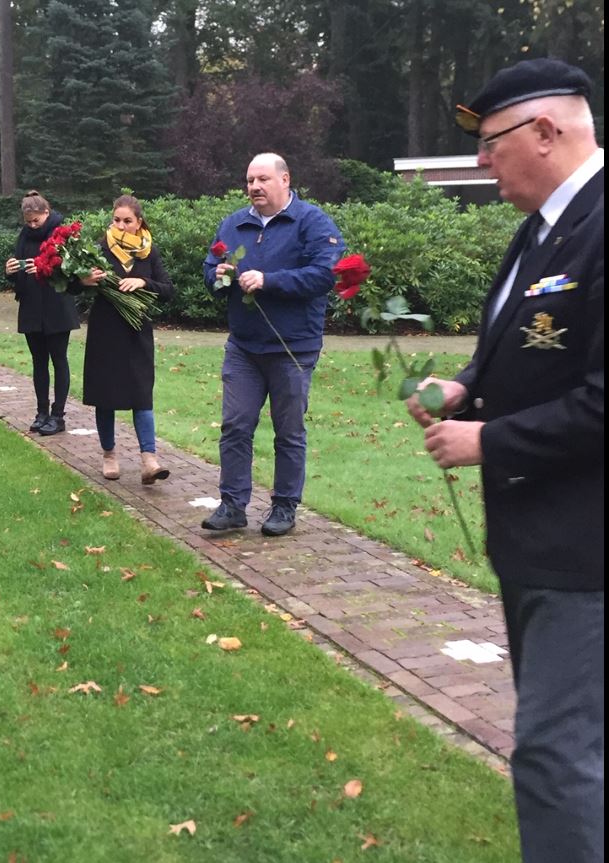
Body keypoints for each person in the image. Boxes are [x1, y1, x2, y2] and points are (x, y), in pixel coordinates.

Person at [406, 59, 603, 863]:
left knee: (552, 755)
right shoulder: (543, 229)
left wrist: (485, 440)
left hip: (584, 550)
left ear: (546, 132)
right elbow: (523, 343)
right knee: (575, 745)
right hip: (537, 539)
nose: (481, 161)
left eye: (490, 144)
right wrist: (466, 386)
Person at [200, 153, 344, 534]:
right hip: (244, 346)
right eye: (249, 180)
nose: (254, 187)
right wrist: (217, 275)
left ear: (285, 179)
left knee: (289, 430)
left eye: (263, 179)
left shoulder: (312, 223)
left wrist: (269, 281)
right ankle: (232, 505)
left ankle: (284, 506)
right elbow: (208, 267)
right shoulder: (234, 224)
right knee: (235, 425)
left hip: (293, 346)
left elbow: (323, 275)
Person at [77, 195, 175, 483]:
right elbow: (73, 286)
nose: (121, 225)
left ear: (138, 222)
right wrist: (83, 280)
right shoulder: (100, 248)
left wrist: (144, 282)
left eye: (127, 221)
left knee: (141, 395)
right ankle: (109, 454)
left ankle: (149, 459)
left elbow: (169, 289)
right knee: (105, 396)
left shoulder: (149, 252)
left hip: (137, 333)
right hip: (105, 333)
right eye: (117, 220)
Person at [5, 191, 81, 436]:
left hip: (57, 306)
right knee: (38, 362)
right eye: (28, 221)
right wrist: (10, 270)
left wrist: (47, 267)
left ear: (46, 213)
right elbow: (18, 269)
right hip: (31, 306)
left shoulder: (61, 234)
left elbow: (71, 271)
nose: (32, 225)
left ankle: (58, 416)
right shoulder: (24, 236)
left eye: (36, 220)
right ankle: (42, 412)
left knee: (58, 359)